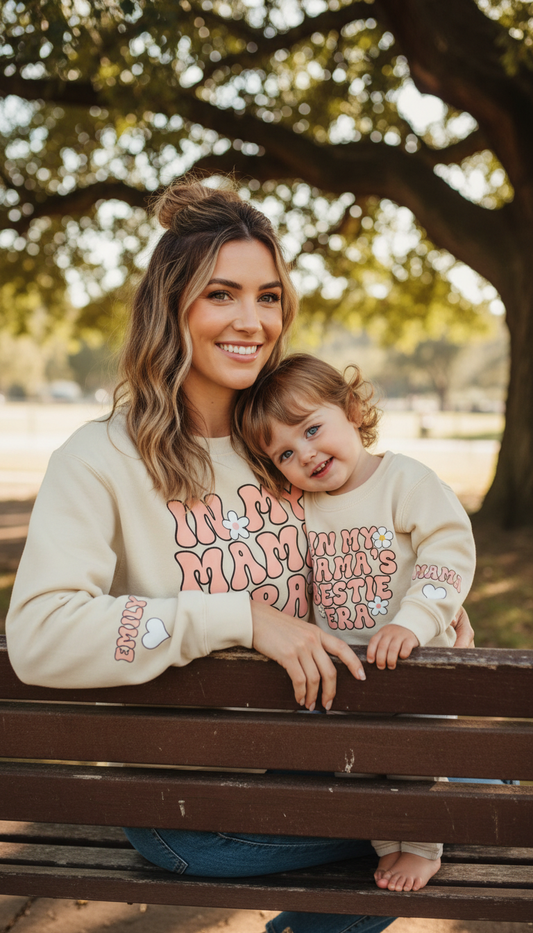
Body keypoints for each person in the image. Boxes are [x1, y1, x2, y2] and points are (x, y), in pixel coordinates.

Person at [6, 177, 473, 933]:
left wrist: (426, 620)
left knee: (453, 783)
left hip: (328, 760)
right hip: (194, 813)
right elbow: (39, 634)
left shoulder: (290, 453)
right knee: (468, 795)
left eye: (269, 296)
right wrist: (238, 618)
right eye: (222, 294)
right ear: (172, 305)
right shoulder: (101, 459)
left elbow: (367, 573)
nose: (252, 321)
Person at [238, 353, 477, 894]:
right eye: (286, 453)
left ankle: (420, 847)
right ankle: (385, 844)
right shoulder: (306, 506)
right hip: (349, 674)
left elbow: (450, 550)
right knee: (358, 765)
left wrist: (416, 620)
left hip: (413, 665)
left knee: (415, 761)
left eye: (313, 429)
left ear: (350, 408)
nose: (307, 454)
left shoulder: (404, 480)